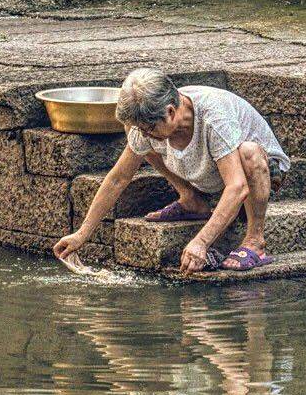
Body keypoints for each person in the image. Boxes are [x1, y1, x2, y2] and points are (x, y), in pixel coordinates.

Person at [53, 68, 290, 273]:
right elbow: (118, 179)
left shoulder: (214, 118)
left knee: (248, 152)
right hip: (208, 170)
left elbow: (237, 187)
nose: (144, 132)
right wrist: (82, 234)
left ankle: (255, 241)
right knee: (139, 143)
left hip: (257, 171)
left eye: (148, 127)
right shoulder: (150, 127)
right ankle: (191, 200)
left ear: (170, 112)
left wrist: (201, 242)